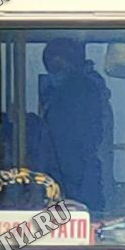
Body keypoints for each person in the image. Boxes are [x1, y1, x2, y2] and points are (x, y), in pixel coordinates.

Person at [37, 38, 113, 212]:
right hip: (61, 166)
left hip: (76, 168)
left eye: (61, 60)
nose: (55, 65)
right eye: (50, 60)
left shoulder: (82, 90)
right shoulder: (60, 91)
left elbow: (86, 133)